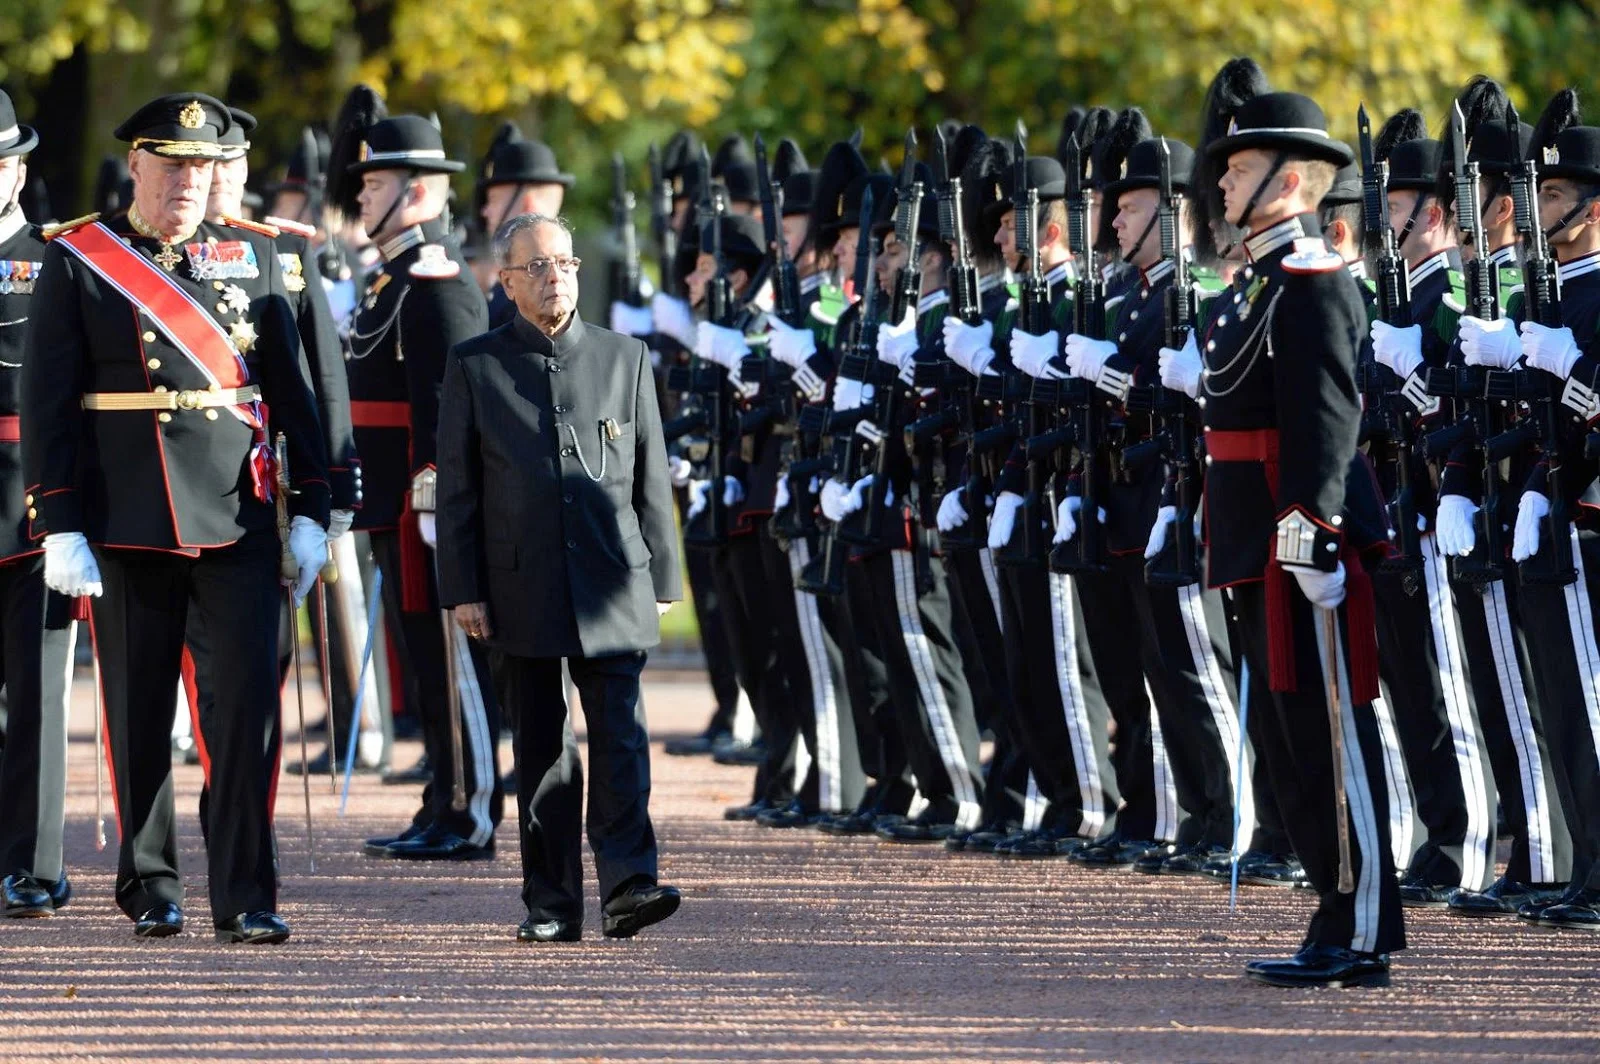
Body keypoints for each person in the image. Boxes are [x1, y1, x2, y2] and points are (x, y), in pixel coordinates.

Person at [21, 93, 331, 944]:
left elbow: (297, 394)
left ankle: (246, 892)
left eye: (201, 168)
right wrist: (60, 524)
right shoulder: (82, 258)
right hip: (128, 519)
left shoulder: (258, 256)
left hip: (237, 517)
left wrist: (316, 511)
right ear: (138, 167)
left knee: (244, 717)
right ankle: (151, 882)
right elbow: (46, 399)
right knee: (137, 714)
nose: (187, 184)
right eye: (171, 167)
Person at [1161, 79, 1405, 986]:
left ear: (1295, 182)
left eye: (1242, 167)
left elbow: (1327, 424)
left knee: (1333, 732)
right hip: (1248, 537)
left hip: (1299, 540)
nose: (1221, 182)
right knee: (1289, 741)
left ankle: (1364, 925)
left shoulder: (1312, 282)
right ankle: (1329, 909)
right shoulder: (1246, 289)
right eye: (1222, 167)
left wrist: (1313, 535)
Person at [435, 212, 683, 942]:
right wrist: (464, 587)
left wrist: (662, 573)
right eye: (538, 267)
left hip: (612, 579)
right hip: (522, 583)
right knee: (542, 750)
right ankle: (551, 905)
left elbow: (650, 476)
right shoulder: (476, 365)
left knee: (620, 739)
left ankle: (630, 886)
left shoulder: (624, 357)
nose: (556, 278)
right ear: (505, 280)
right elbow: (459, 490)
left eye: (566, 265)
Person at [326, 99, 504, 861]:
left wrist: (438, 495)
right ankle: (442, 798)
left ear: (419, 192)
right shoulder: (390, 280)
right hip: (389, 502)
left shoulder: (436, 283)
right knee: (421, 663)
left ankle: (471, 810)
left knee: (451, 658)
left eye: (377, 183)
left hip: (425, 505)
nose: (362, 195)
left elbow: (449, 405)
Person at [0, 89, 80, 919]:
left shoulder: (55, 255)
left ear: (18, 171)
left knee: (39, 691)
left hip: (31, 496)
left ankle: (35, 863)